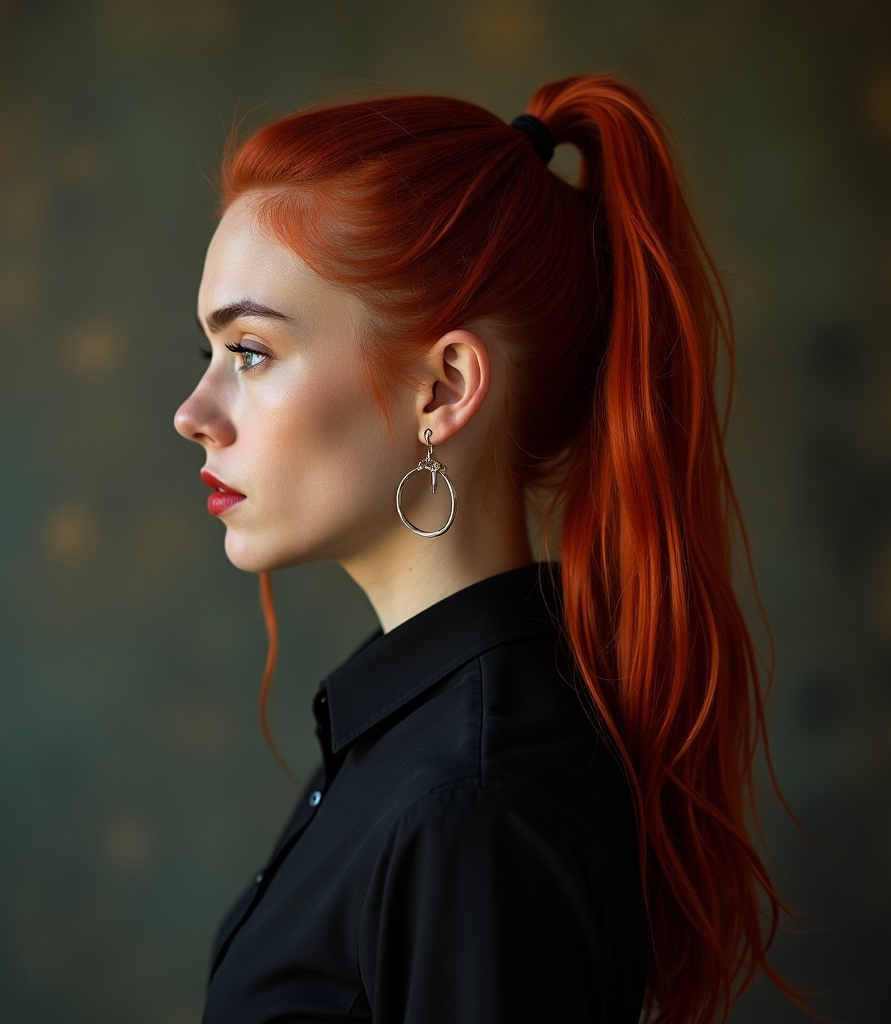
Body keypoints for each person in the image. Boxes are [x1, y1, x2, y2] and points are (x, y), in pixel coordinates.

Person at [174, 74, 792, 1024]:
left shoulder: (471, 801)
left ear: (444, 388)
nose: (193, 414)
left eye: (249, 351)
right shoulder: (424, 745)